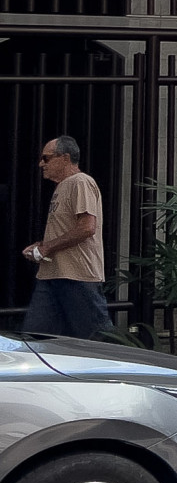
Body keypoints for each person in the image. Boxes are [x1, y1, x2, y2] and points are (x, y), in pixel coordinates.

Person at [21, 136, 111, 339]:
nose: (41, 163)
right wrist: (42, 246)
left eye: (46, 158)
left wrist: (47, 248)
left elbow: (87, 227)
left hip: (76, 275)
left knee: (96, 339)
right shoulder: (62, 186)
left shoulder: (80, 182)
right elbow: (68, 228)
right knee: (34, 337)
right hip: (53, 273)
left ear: (65, 158)